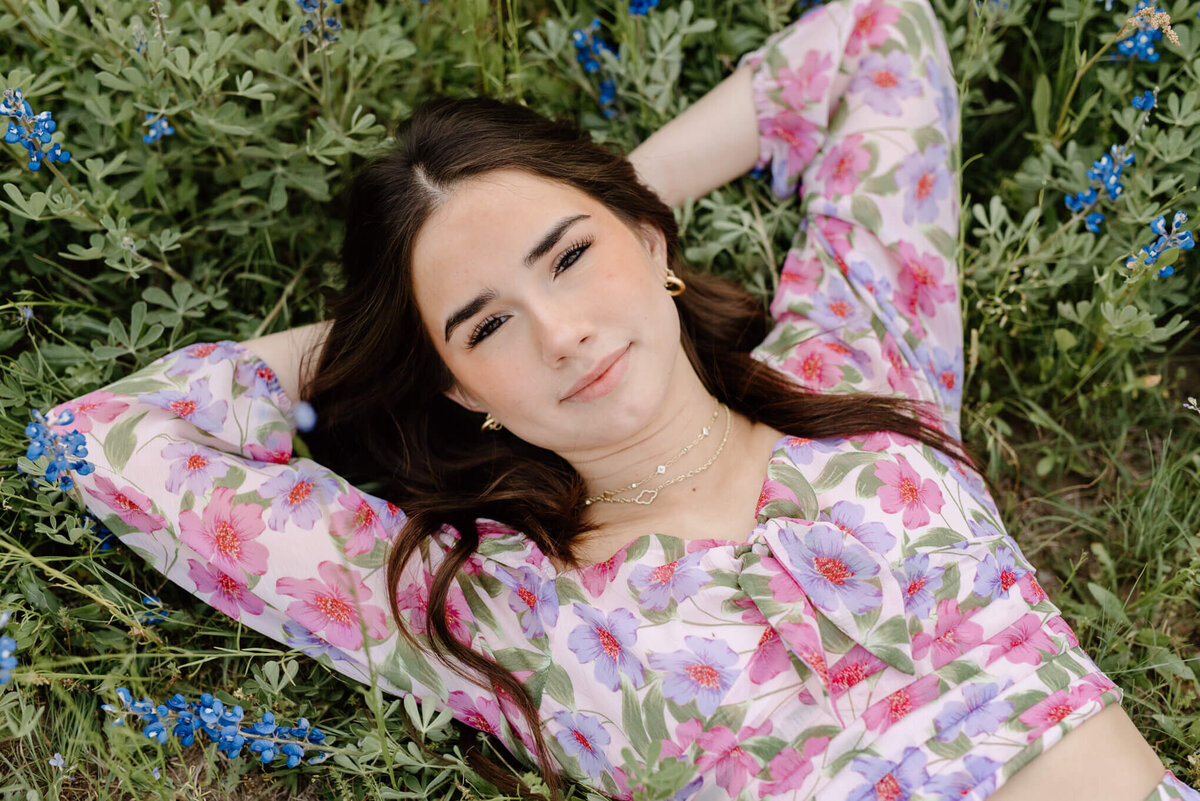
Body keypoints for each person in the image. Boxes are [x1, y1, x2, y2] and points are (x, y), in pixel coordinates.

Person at [52, 0, 1198, 798]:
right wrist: (379, 341)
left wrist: (617, 194)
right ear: (461, 385)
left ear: (655, 243)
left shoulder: (853, 371)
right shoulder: (487, 606)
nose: (561, 331)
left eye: (569, 256)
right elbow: (117, 437)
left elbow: (872, 41)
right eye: (486, 323)